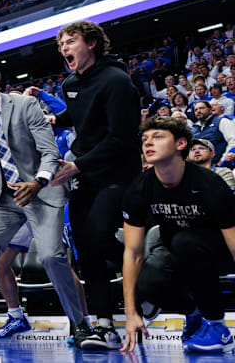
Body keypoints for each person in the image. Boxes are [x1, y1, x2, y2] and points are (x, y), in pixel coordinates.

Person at [0, 62, 86, 352]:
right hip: (5, 198)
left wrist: (39, 181)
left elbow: (50, 152)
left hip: (41, 191)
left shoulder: (25, 105)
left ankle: (81, 323)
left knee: (51, 257)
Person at [50, 20, 142, 350]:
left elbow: (121, 138)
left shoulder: (117, 81)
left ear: (91, 43)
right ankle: (104, 324)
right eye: (60, 43)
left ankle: (147, 279)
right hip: (84, 174)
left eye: (70, 41)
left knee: (99, 238)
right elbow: (79, 116)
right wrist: (53, 119)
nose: (64, 48)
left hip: (118, 174)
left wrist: (78, 164)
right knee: (86, 250)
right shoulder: (71, 83)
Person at [121, 116, 235, 353]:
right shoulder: (139, 188)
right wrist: (131, 314)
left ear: (181, 144)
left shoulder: (210, 184)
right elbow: (132, 253)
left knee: (186, 242)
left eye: (158, 137)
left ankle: (217, 327)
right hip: (177, 249)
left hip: (219, 250)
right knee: (148, 282)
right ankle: (193, 316)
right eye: (145, 139)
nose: (148, 144)